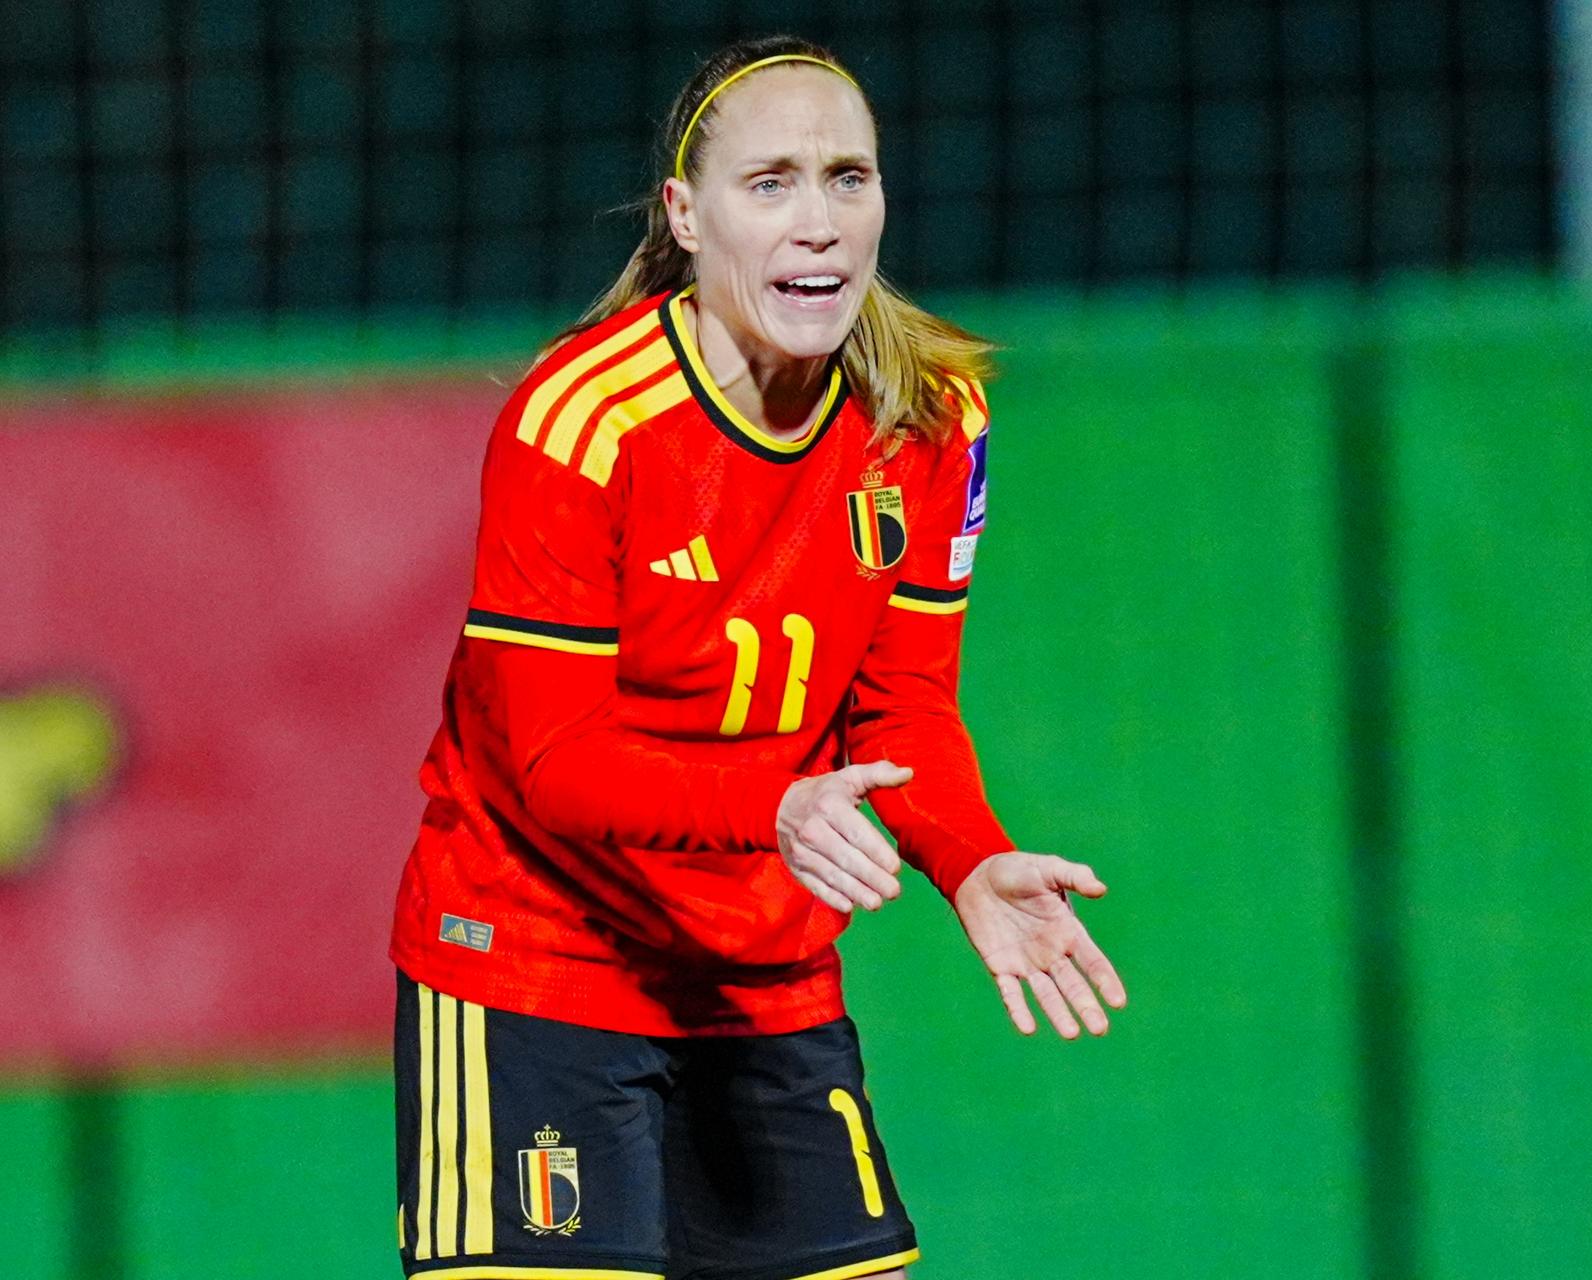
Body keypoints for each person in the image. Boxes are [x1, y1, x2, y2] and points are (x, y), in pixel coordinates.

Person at [386, 34, 1126, 1280]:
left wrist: (972, 855)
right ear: (685, 213)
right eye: (770, 181)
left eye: (850, 176)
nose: (821, 221)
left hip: (762, 976)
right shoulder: (582, 423)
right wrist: (769, 807)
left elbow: (902, 707)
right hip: (534, 961)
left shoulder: (932, 416)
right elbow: (551, 762)